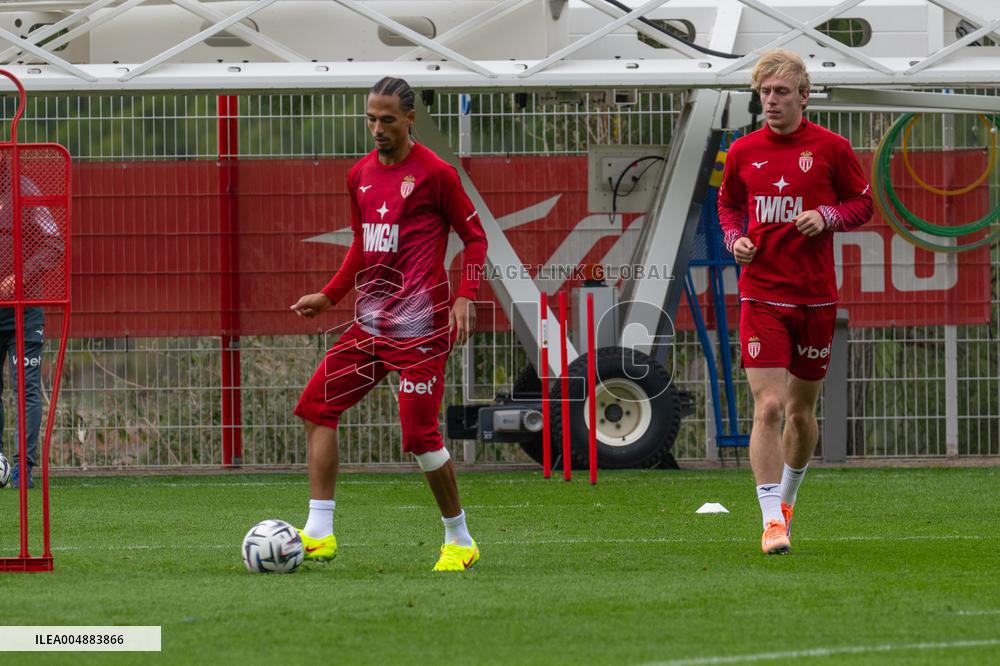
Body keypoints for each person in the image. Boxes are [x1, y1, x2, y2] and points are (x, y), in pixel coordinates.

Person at [291, 76, 488, 571]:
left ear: (410, 119)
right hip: (368, 328)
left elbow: (475, 238)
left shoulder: (436, 173)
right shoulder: (358, 174)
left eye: (387, 120)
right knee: (317, 407)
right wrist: (329, 295)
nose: (377, 128)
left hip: (419, 332)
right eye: (371, 119)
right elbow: (362, 244)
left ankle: (460, 539)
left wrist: (466, 296)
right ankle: (319, 532)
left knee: (420, 438)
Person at [717, 49, 873, 554]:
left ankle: (786, 502)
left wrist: (828, 215)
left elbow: (863, 204)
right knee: (768, 407)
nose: (771, 101)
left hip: (815, 299)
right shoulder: (743, 151)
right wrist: (734, 239)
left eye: (781, 92)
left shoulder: (832, 148)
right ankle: (769, 522)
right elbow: (728, 206)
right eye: (764, 92)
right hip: (761, 293)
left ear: (804, 97)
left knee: (801, 415)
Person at [0, 175, 62, 490]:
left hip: (25, 309)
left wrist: (19, 278)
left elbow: (55, 243)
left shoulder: (25, 190)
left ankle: (23, 469)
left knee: (26, 389)